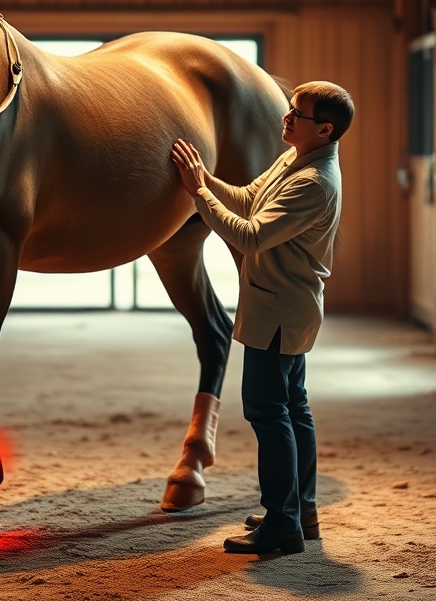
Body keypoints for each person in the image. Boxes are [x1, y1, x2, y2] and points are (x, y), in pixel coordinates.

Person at [170, 80, 354, 555]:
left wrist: (197, 195)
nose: (287, 117)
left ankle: (282, 524)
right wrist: (207, 180)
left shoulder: (313, 182)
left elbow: (250, 236)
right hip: (282, 306)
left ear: (325, 130)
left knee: (268, 413)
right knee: (293, 409)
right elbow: (251, 197)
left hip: (279, 312)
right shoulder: (296, 156)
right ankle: (300, 511)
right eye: (291, 108)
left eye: (298, 114)